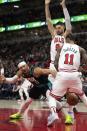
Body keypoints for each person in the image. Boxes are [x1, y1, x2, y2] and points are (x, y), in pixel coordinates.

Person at [47, 33, 87, 126]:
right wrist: (81, 68)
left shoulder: (61, 47)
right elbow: (86, 64)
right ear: (75, 41)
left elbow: (56, 63)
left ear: (67, 39)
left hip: (62, 74)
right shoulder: (81, 49)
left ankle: (53, 114)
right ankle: (70, 115)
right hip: (75, 75)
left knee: (52, 97)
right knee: (82, 95)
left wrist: (60, 73)